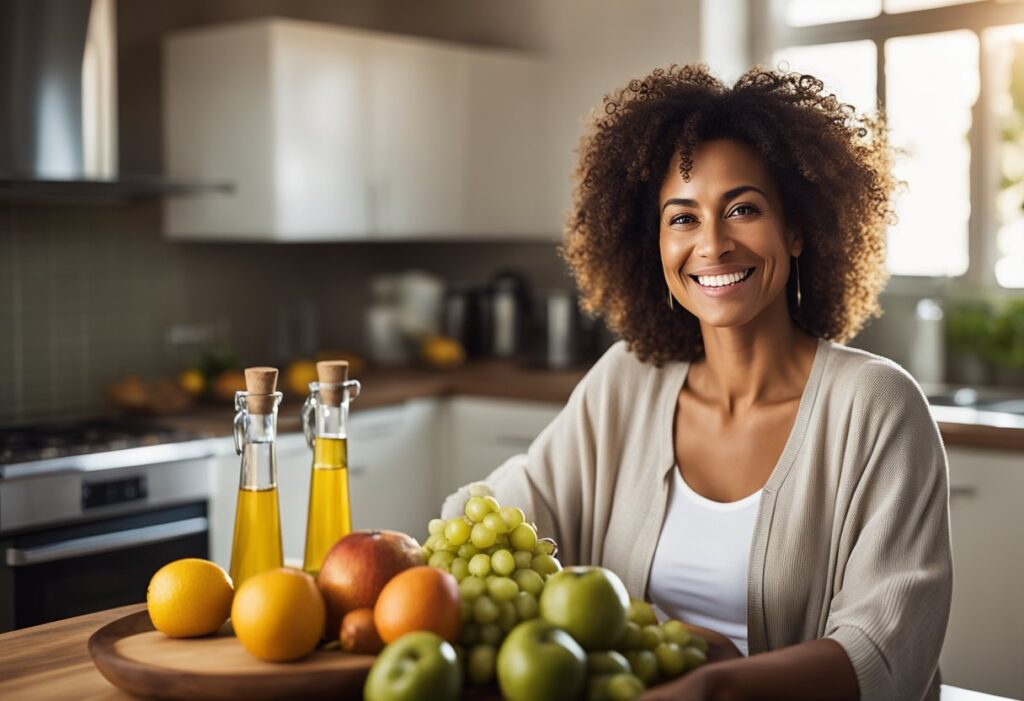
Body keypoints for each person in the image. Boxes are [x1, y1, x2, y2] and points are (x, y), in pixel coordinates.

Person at [441, 63, 952, 701]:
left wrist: (715, 685)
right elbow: (500, 513)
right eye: (682, 218)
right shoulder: (628, 382)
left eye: (742, 209)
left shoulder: (875, 407)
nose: (712, 244)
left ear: (796, 229)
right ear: (651, 242)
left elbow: (883, 652)